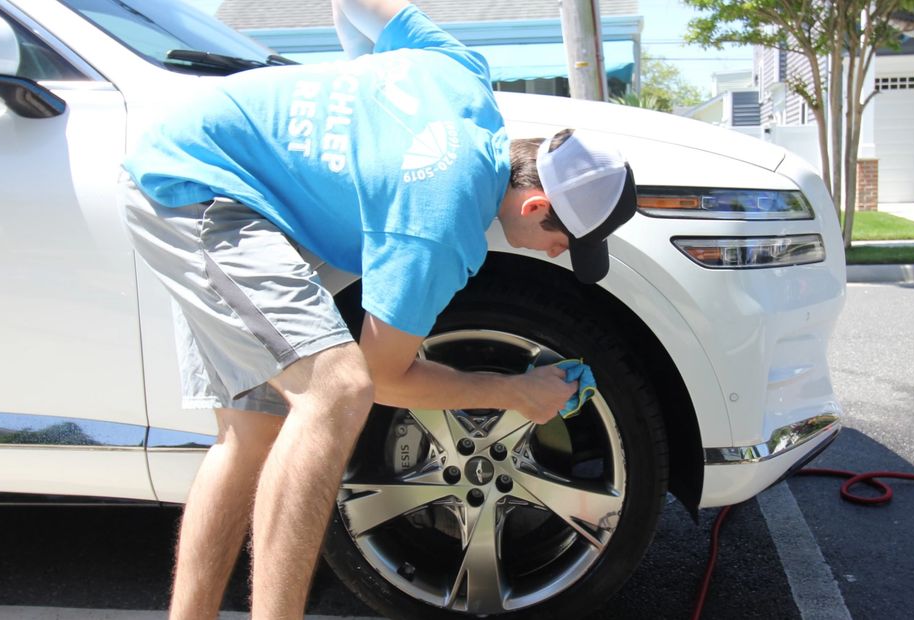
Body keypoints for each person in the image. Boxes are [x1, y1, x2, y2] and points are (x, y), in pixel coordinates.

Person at [119, 0, 637, 616]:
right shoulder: (438, 226)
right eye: (564, 244)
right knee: (337, 389)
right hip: (199, 189)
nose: (556, 257)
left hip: (216, 155)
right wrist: (514, 392)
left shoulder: (463, 73)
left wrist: (358, 104)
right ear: (534, 206)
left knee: (252, 434)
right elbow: (385, 379)